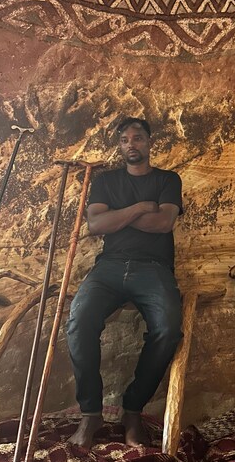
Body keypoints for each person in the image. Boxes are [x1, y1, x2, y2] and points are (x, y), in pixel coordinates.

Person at [67, 117, 183, 449]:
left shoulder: (167, 179)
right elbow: (96, 225)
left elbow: (163, 223)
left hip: (154, 268)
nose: (131, 144)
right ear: (120, 146)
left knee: (167, 329)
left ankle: (132, 410)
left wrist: (117, 216)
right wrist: (139, 208)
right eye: (125, 140)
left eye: (138, 138)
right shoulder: (106, 181)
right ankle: (91, 413)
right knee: (78, 322)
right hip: (110, 267)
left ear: (149, 142)